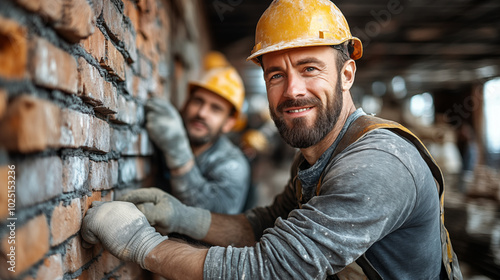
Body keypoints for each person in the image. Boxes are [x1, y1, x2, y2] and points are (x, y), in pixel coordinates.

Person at [81, 0, 462, 279]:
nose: (292, 90)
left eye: (309, 69)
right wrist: (185, 217)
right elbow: (267, 224)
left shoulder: (378, 163)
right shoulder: (316, 156)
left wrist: (142, 245)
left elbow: (272, 268)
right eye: (276, 75)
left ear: (346, 75)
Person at [146, 53, 251, 214]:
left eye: (216, 109)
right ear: (187, 102)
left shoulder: (233, 165)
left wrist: (177, 151)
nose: (202, 113)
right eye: (198, 101)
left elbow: (207, 216)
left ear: (229, 123)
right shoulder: (167, 134)